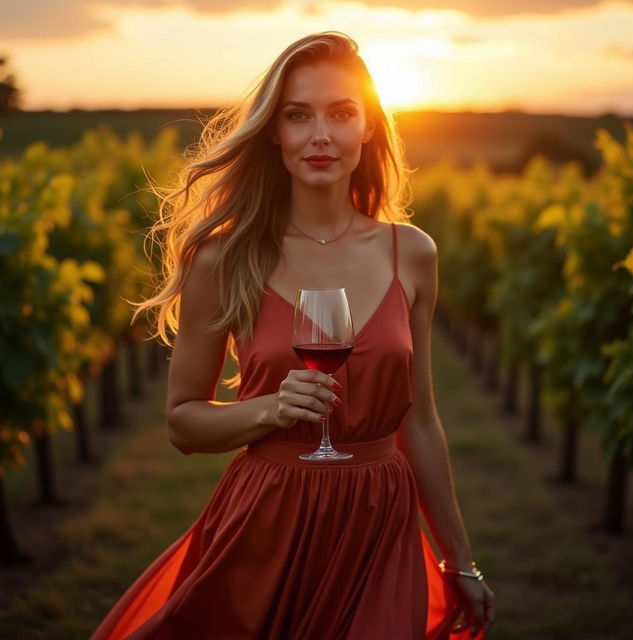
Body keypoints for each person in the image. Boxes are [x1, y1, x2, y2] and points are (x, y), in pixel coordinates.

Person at [91, 31, 494, 640]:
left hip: (380, 518)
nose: (321, 135)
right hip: (267, 520)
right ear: (274, 132)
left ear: (369, 129)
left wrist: (457, 558)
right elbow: (182, 423)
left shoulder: (411, 253)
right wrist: (270, 410)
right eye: (298, 115)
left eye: (341, 113)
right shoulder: (223, 259)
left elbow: (421, 422)